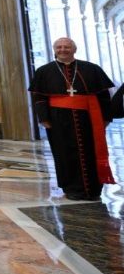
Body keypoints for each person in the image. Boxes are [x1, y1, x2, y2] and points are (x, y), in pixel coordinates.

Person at [29, 37, 115, 200]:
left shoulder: (91, 69)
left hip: (88, 118)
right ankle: (71, 188)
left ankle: (93, 188)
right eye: (59, 47)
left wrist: (106, 117)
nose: (63, 50)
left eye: (67, 47)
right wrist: (44, 118)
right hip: (58, 120)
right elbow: (39, 97)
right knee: (63, 153)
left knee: (91, 151)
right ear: (54, 50)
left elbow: (104, 96)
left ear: (74, 49)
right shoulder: (44, 71)